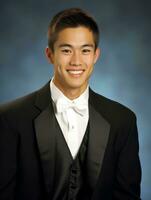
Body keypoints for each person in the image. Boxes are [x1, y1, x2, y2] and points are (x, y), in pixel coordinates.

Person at [0, 8, 141, 200]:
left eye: (85, 50)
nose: (76, 61)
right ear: (50, 54)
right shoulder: (10, 118)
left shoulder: (123, 120)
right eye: (66, 50)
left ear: (95, 56)